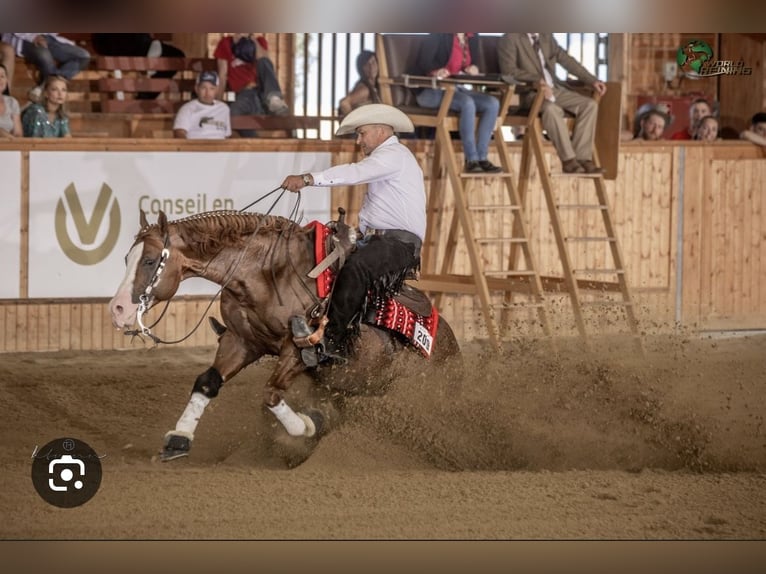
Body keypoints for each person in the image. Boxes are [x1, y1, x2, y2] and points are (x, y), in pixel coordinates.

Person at [281, 104, 425, 362]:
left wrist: (308, 179)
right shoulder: (392, 157)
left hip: (398, 244)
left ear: (381, 131)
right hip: (379, 240)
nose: (359, 140)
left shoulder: (394, 155)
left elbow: (356, 172)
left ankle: (332, 342)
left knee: (357, 267)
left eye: (362, 133)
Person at [497, 33, 607, 174]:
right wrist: (538, 81)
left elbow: (567, 61)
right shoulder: (510, 39)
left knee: (590, 105)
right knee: (551, 108)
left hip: (555, 89)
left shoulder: (546, 37)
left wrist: (592, 80)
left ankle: (583, 159)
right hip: (530, 93)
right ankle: (568, 161)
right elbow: (509, 72)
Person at [411, 33, 502, 174]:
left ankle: (482, 158)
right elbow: (423, 62)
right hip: (429, 90)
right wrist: (436, 71)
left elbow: (473, 63)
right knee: (467, 103)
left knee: (492, 103)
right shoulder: (438, 35)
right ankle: (471, 160)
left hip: (454, 89)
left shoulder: (472, 37)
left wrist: (473, 68)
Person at [214, 33, 290, 137]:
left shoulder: (259, 41)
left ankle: (274, 100)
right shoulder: (226, 43)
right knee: (234, 113)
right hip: (245, 95)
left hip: (264, 92)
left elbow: (265, 61)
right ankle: (256, 144)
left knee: (264, 61)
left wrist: (252, 39)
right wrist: (216, 105)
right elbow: (222, 75)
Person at [91, 33, 186, 100]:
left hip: (112, 42)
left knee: (176, 57)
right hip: (120, 42)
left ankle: (146, 94)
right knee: (176, 56)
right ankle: (146, 94)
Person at [1, 34, 89, 97]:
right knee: (44, 55)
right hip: (23, 38)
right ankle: (52, 87)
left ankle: (45, 86)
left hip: (48, 37)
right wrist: (33, 37)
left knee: (83, 56)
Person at [173, 70, 231, 139]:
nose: (207, 93)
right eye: (203, 88)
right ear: (196, 88)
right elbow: (179, 133)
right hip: (195, 148)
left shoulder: (224, 109)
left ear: (217, 90)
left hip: (220, 148)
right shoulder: (187, 109)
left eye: (212, 88)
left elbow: (227, 136)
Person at [338, 50, 380, 117]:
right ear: (361, 69)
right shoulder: (365, 89)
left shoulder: (374, 87)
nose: (371, 67)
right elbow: (344, 103)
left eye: (373, 62)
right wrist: (354, 124)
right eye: (367, 64)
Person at [0, 63, 22, 138]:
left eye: (2, 76)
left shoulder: (12, 102)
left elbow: (18, 134)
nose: (0, 79)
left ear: (6, 80)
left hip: (10, 148)